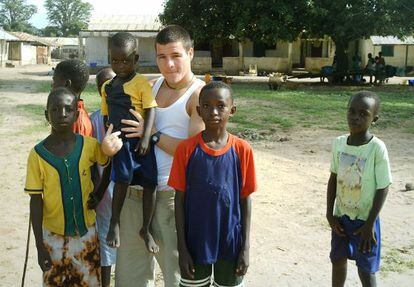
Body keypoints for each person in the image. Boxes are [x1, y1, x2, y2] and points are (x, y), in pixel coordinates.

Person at [101, 25, 205, 287]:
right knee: (129, 278)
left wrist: (153, 134)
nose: (168, 64)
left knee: (177, 277)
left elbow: (194, 153)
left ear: (190, 53)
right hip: (133, 195)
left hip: (171, 199)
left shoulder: (200, 95)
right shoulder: (150, 85)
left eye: (176, 55)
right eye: (161, 57)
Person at [168, 81, 257, 287]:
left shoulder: (242, 150)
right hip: (196, 242)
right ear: (198, 110)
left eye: (221, 105)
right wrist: (182, 249)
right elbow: (179, 201)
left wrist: (245, 248)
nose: (214, 112)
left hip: (230, 242)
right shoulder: (186, 150)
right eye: (206, 106)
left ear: (232, 110)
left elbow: (245, 200)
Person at [25, 87, 110, 286]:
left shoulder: (90, 145)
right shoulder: (37, 155)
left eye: (67, 109)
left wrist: (98, 193)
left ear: (76, 114)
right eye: (55, 109)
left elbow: (107, 164)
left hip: (86, 234)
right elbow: (36, 201)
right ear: (47, 114)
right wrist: (39, 245)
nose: (62, 114)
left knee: (88, 281)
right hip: (52, 237)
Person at [101, 32, 159, 253]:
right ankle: (115, 222)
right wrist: (110, 137)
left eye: (125, 60)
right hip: (121, 143)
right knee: (123, 180)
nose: (120, 65)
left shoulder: (141, 83)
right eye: (115, 60)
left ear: (135, 59)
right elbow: (106, 115)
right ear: (110, 58)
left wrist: (146, 138)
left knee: (150, 183)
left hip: (140, 142)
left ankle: (146, 228)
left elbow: (151, 109)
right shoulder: (107, 86)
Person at [326, 91, 392, 287]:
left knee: (366, 270)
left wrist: (370, 223)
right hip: (341, 218)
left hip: (365, 221)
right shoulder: (339, 144)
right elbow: (333, 178)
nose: (356, 117)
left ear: (375, 118)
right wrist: (330, 213)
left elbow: (383, 187)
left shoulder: (376, 148)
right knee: (337, 261)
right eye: (352, 111)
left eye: (364, 113)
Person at [88, 67, 117, 287]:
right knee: (106, 242)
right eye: (103, 86)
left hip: (128, 191)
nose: (107, 89)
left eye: (111, 84)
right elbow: (91, 160)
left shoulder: (132, 115)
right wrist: (97, 190)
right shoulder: (93, 121)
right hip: (104, 192)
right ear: (99, 90)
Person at [52, 59, 93, 136]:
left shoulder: (75, 120)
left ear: (67, 84)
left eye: (54, 81)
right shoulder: (72, 114)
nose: (52, 85)